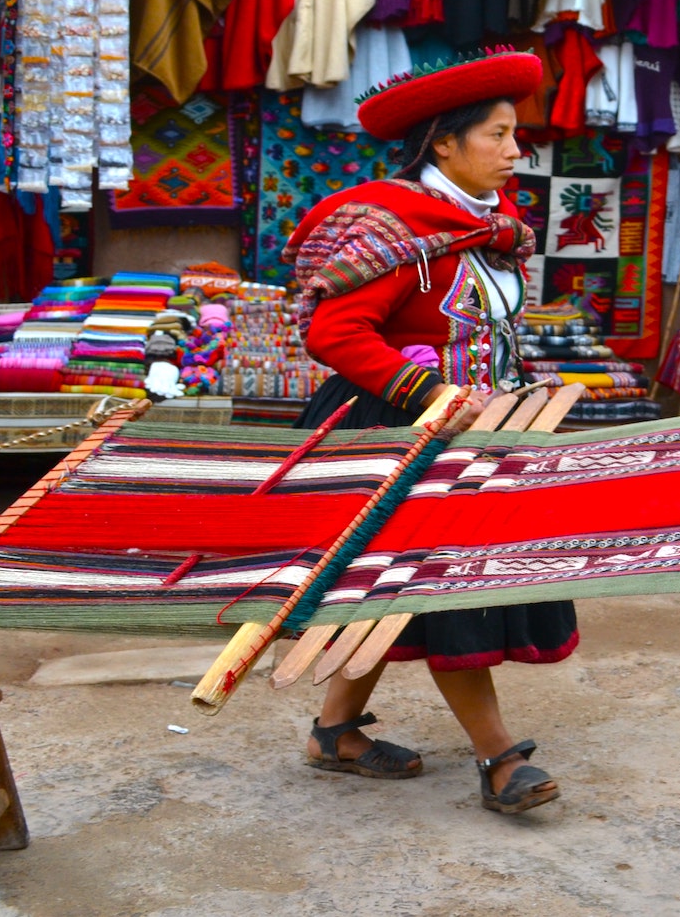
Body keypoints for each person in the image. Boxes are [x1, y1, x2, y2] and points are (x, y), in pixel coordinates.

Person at [281, 49, 571, 815]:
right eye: (499, 135)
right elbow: (334, 332)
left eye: (516, 136)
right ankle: (500, 759)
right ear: (443, 143)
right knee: (444, 597)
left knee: (387, 596)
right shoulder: (396, 226)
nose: (516, 152)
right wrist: (429, 390)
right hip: (397, 433)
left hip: (471, 433)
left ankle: (335, 733)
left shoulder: (480, 228)